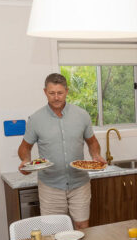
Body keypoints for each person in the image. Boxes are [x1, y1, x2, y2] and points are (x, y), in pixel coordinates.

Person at [17, 73, 105, 229]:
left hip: (79, 183)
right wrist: (25, 161)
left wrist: (96, 156)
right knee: (54, 230)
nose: (56, 97)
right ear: (45, 92)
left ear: (67, 91)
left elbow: (93, 143)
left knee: (82, 226)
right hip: (51, 185)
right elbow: (25, 148)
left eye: (60, 93)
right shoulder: (35, 119)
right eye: (52, 93)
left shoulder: (82, 115)